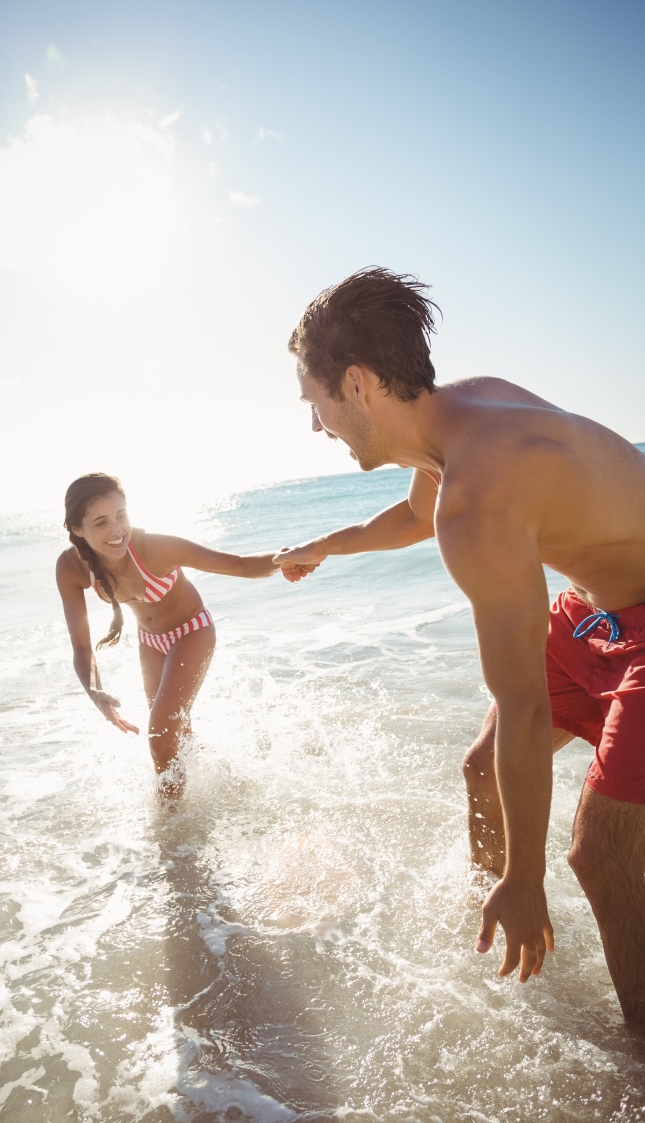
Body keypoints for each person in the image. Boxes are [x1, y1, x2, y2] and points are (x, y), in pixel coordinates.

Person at [275, 266, 645, 1033]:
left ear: (356, 384)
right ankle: (495, 943)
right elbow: (414, 514)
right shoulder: (457, 416)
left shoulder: (478, 499)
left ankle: (636, 1039)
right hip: (601, 606)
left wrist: (528, 872)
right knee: (481, 768)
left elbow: (526, 707)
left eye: (315, 404)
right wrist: (322, 546)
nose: (317, 426)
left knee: (599, 852)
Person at [57, 472, 293, 798]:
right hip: (150, 642)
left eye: (121, 516)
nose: (116, 530)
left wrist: (285, 560)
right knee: (175, 735)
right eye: (100, 522)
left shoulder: (154, 547)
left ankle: (172, 830)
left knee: (159, 735)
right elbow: (82, 647)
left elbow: (238, 565)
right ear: (77, 529)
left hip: (192, 632)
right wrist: (95, 691)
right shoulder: (70, 568)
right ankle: (202, 801)